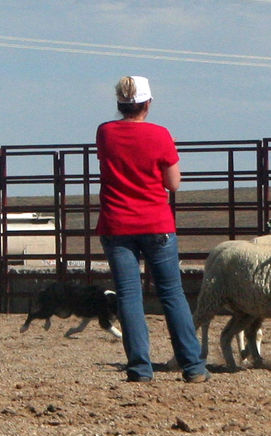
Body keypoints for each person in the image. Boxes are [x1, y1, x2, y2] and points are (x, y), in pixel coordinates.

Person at [96, 75, 209, 383]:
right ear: (147, 103)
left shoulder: (105, 133)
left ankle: (139, 369)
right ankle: (193, 367)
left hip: (117, 225)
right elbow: (172, 183)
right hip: (156, 223)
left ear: (120, 103)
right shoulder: (161, 135)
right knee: (172, 294)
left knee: (129, 296)